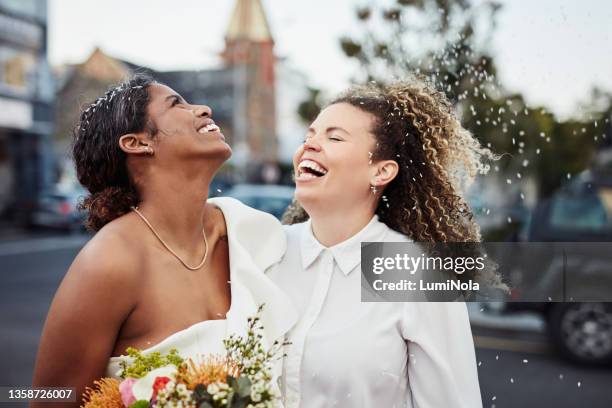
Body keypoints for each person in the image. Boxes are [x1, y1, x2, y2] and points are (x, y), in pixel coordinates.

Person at [31, 75, 296, 406]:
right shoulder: (110, 262)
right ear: (138, 142)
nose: (204, 109)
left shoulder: (254, 233)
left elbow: (359, 264)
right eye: (176, 104)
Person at [268, 78, 501, 407]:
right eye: (310, 135)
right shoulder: (267, 251)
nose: (311, 145)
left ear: (381, 172)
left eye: (334, 137)